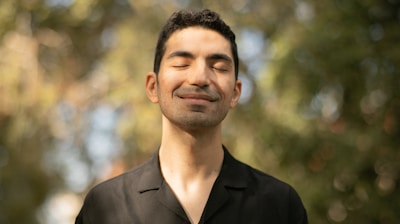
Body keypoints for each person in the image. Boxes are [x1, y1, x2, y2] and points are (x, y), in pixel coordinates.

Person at [75, 9, 308, 224]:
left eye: (218, 67)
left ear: (235, 93)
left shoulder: (278, 204)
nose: (199, 78)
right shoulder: (106, 206)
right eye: (181, 64)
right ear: (152, 86)